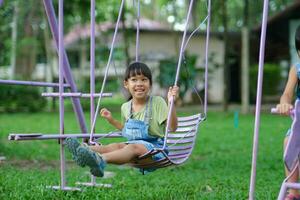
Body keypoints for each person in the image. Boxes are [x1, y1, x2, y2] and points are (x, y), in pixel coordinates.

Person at [65, 62, 179, 177]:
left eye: (144, 80)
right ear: (126, 84)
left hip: (155, 151)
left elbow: (172, 127)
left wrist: (171, 103)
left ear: (150, 84)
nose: (139, 83)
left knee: (132, 147)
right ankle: (82, 150)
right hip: (133, 147)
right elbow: (127, 130)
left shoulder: (157, 102)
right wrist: (112, 120)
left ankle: (101, 160)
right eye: (134, 80)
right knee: (115, 146)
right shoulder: (125, 107)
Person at [276, 25, 300, 200]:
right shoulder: (297, 69)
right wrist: (284, 104)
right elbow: (287, 94)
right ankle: (294, 192)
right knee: (288, 141)